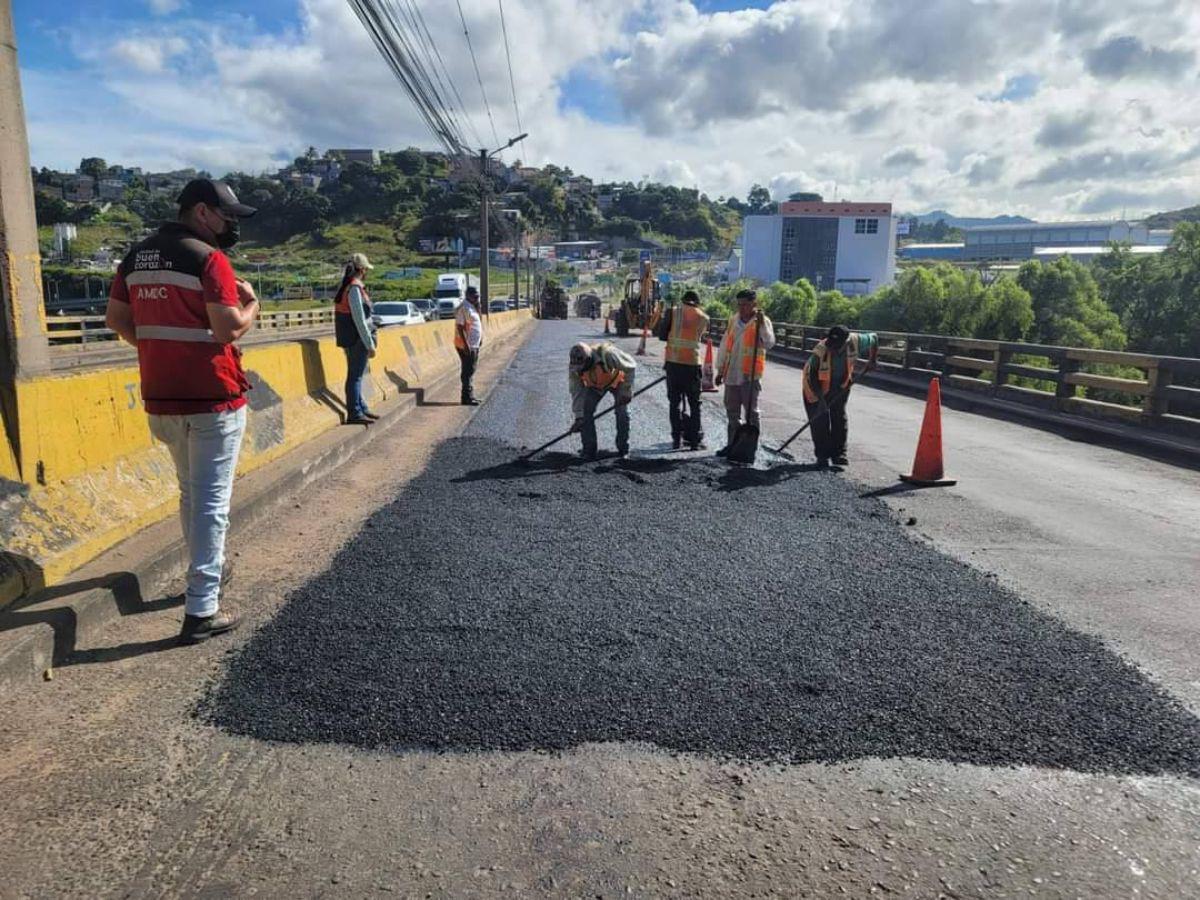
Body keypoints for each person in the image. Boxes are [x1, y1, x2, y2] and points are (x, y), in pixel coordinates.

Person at [104, 178, 259, 645]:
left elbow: (116, 320)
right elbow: (228, 328)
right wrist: (252, 304)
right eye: (227, 215)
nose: (231, 224)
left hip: (162, 397)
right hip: (213, 397)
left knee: (190, 495)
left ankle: (202, 578)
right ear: (201, 212)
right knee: (211, 503)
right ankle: (202, 608)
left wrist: (157, 348)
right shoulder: (209, 259)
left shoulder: (136, 257)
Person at [802, 324, 878, 467]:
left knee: (839, 418)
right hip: (814, 386)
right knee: (819, 421)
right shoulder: (820, 351)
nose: (832, 348)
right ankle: (822, 456)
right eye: (831, 344)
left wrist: (872, 360)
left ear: (845, 342)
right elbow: (812, 376)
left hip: (840, 385)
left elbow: (874, 337)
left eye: (836, 346)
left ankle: (839, 454)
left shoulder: (856, 341)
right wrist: (821, 402)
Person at [715, 289, 775, 455]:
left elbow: (769, 343)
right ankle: (732, 445)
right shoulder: (734, 320)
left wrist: (762, 325)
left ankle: (749, 449)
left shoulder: (762, 321)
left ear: (754, 304)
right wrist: (720, 370)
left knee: (751, 413)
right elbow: (724, 344)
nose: (742, 308)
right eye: (739, 304)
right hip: (731, 373)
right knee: (732, 411)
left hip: (750, 375)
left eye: (746, 305)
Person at [655, 290, 710, 449]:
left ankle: (676, 440)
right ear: (697, 302)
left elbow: (662, 335)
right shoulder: (703, 317)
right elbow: (699, 336)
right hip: (692, 365)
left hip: (674, 364)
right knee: (695, 404)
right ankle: (694, 441)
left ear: (683, 301)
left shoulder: (673, 312)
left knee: (675, 403)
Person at [569, 341, 637, 460]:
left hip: (617, 382)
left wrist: (626, 391)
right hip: (595, 385)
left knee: (622, 413)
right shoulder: (575, 367)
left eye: (583, 367)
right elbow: (576, 391)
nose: (581, 370)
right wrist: (579, 417)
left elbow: (630, 367)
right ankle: (589, 451)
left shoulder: (608, 354)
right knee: (585, 412)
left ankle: (623, 450)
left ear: (589, 360)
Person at [333, 253, 377, 426]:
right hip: (357, 339)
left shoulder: (349, 287)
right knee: (355, 377)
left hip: (350, 338)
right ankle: (355, 412)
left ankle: (362, 407)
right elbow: (360, 320)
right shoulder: (354, 289)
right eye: (366, 269)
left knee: (356, 375)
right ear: (363, 269)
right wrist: (370, 344)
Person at [455, 286, 484, 405]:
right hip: (466, 345)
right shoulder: (463, 308)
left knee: (471, 370)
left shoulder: (472, 307)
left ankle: (470, 396)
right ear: (468, 295)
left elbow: (477, 324)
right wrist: (466, 345)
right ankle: (466, 397)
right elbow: (460, 327)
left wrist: (480, 338)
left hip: (473, 344)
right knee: (467, 371)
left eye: (478, 296)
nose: (477, 298)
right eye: (475, 296)